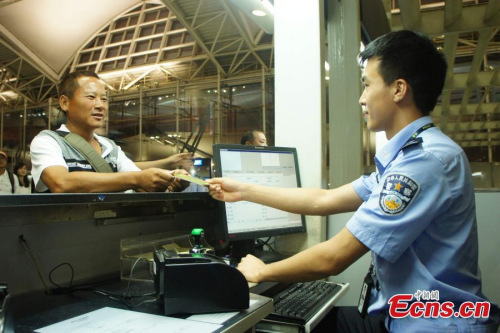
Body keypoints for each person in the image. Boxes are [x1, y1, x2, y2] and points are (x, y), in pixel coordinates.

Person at [208, 30, 499, 332]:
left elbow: (332, 258)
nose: (362, 98)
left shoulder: (421, 162)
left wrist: (263, 270)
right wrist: (243, 190)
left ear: (399, 89)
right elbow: (323, 200)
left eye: (367, 85)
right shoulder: (409, 157)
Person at [30, 70, 189, 193]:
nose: (100, 105)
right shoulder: (48, 141)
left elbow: (142, 185)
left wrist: (168, 181)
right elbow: (60, 183)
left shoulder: (110, 147)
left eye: (104, 99)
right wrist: (137, 178)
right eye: (91, 97)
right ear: (65, 103)